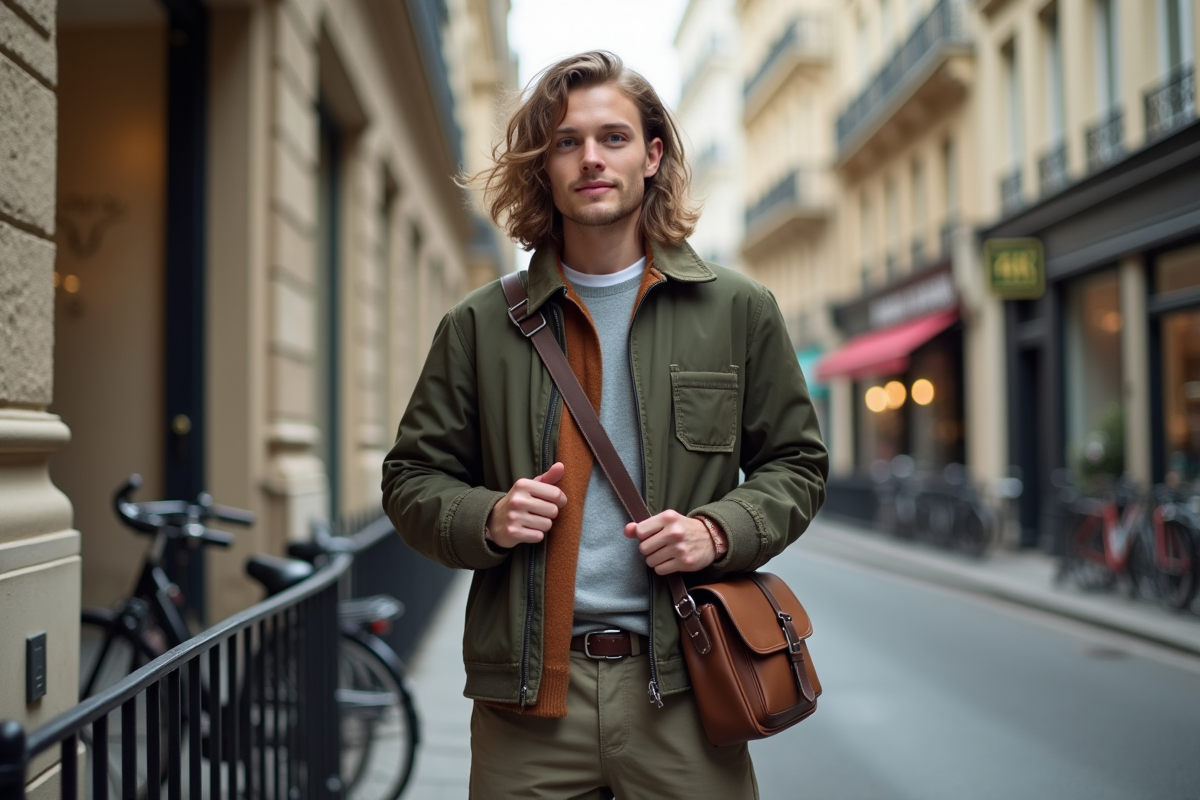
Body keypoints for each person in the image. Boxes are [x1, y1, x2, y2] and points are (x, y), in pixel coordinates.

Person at [382, 50, 827, 800]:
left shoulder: (737, 310)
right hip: (528, 701)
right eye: (566, 141)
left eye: (614, 137)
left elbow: (797, 465)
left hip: (687, 686)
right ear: (543, 167)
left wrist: (718, 530)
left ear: (652, 156)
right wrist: (486, 516)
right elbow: (409, 480)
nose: (591, 157)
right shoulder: (479, 324)